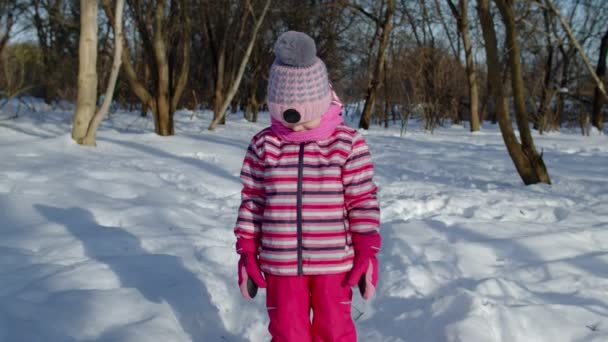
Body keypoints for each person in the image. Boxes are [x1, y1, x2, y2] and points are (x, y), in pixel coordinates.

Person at [234, 31, 381, 342]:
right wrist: (247, 250)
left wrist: (367, 250)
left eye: (305, 120)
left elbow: (362, 200)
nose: (296, 129)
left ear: (324, 101)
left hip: (333, 264)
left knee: (334, 330)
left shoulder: (347, 144)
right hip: (280, 263)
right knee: (287, 332)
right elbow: (253, 201)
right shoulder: (264, 145)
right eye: (288, 121)